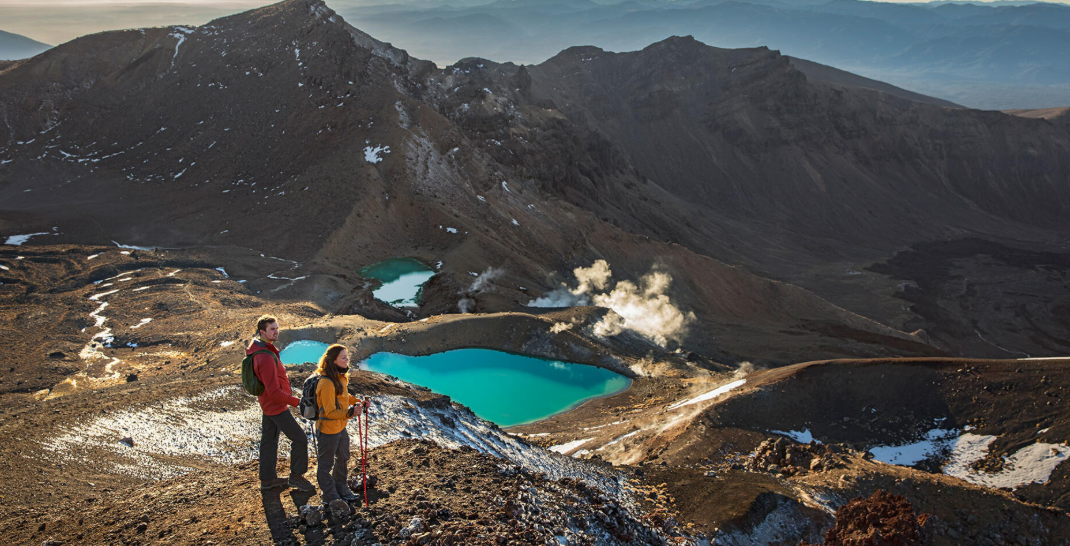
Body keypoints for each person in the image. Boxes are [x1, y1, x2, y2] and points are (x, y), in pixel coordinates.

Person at [250, 315, 315, 492]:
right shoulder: (264, 357)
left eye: (277, 328)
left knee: (269, 441)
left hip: (268, 404)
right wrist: (298, 402)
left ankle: (267, 479)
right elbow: (273, 391)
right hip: (275, 406)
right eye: (272, 329)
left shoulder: (263, 349)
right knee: (300, 439)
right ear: (262, 332)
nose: (276, 331)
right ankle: (296, 476)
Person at [314, 344, 370, 503]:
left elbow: (345, 398)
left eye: (347, 357)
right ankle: (329, 496)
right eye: (343, 358)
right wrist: (351, 413)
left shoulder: (339, 377)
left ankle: (342, 488)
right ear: (333, 361)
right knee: (326, 464)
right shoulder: (326, 383)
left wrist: (359, 401)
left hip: (340, 427)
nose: (347, 360)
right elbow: (329, 412)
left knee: (343, 457)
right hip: (328, 430)